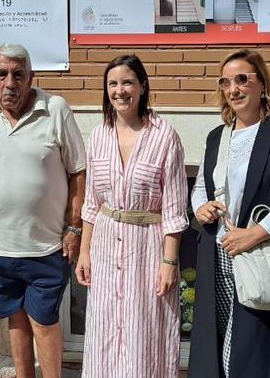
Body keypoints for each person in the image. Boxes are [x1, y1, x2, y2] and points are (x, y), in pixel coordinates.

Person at [190, 49, 270, 378]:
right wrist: (200, 207)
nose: (233, 89)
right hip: (218, 256)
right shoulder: (218, 136)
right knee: (217, 345)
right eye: (226, 82)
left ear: (262, 84)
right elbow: (202, 187)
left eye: (242, 79)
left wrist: (255, 233)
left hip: (261, 257)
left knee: (256, 351)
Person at [0, 43, 86, 378]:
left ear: (31, 77)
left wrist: (74, 227)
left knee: (45, 320)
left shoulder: (56, 109)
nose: (11, 82)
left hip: (46, 245)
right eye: (2, 74)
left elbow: (78, 170)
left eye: (19, 74)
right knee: (15, 318)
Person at [75, 55, 189, 377]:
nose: (120, 90)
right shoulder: (99, 135)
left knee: (144, 332)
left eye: (127, 82)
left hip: (147, 250)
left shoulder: (165, 135)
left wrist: (169, 263)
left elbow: (174, 209)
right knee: (105, 331)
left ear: (142, 86)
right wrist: (84, 252)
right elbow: (92, 204)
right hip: (106, 247)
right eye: (113, 83)